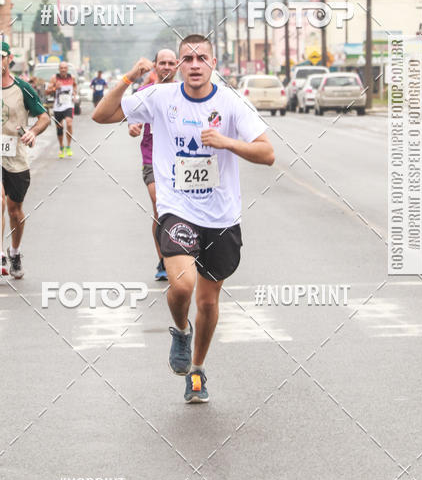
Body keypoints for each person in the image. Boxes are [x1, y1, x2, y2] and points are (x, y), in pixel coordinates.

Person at [93, 34, 274, 404]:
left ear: (212, 63)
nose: (194, 65)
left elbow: (267, 153)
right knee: (181, 285)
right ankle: (180, 329)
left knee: (207, 303)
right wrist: (130, 77)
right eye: (187, 59)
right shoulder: (161, 97)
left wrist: (228, 143)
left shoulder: (231, 102)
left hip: (221, 216)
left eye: (201, 58)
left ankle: (197, 369)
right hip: (177, 208)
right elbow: (102, 115)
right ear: (178, 64)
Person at [0, 41, 50, 277]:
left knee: (14, 210)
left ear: (9, 59)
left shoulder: (22, 88)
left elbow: (44, 117)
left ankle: (14, 252)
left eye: (0, 57)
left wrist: (33, 132)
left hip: (16, 156)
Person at [127, 49, 178, 281]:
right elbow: (133, 123)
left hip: (182, 161)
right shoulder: (144, 92)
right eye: (162, 63)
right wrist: (133, 127)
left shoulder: (185, 91)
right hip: (152, 159)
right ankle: (163, 260)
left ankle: (184, 254)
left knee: (182, 210)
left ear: (177, 65)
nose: (166, 67)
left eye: (171, 63)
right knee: (160, 207)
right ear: (155, 65)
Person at [46, 62, 77, 158]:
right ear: (59, 69)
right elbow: (46, 92)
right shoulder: (54, 78)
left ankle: (68, 146)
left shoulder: (72, 78)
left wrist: (74, 93)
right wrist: (55, 88)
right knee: (59, 127)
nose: (63, 69)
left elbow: (75, 86)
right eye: (61, 68)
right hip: (58, 107)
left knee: (69, 124)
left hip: (68, 105)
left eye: (65, 68)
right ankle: (61, 147)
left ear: (67, 69)